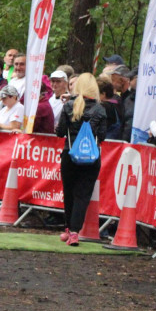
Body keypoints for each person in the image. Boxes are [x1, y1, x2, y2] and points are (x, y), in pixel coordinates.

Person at [55, 73, 108, 246]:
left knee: (69, 192)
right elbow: (102, 135)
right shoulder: (100, 109)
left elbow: (60, 132)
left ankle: (69, 228)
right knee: (82, 195)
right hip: (91, 158)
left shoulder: (69, 106)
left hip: (70, 154)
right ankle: (75, 232)